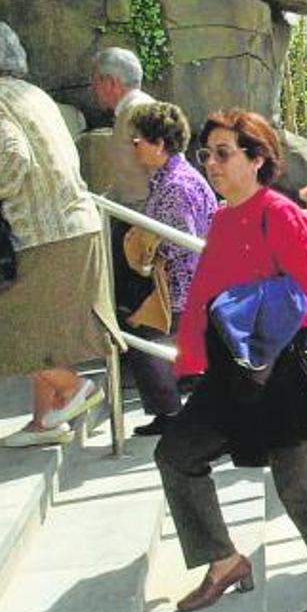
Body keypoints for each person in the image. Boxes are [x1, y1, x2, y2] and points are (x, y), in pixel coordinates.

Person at [154, 109, 307, 612]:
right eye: (207, 154)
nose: (212, 164)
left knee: (301, 492)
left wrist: (252, 310)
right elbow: (205, 293)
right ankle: (224, 561)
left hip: (284, 378)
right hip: (233, 376)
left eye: (224, 154)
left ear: (257, 159)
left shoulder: (282, 213)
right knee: (177, 453)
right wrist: (192, 355)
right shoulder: (224, 217)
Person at [0, 18, 122, 448]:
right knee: (41, 328)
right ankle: (45, 421)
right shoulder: (34, 95)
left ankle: (73, 387)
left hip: (37, 233)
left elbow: (11, 160)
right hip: (78, 226)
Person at [126, 101, 217, 436]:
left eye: (138, 141)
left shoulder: (176, 185)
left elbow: (183, 243)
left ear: (159, 144)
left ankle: (169, 412)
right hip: (184, 284)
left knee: (142, 338)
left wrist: (146, 250)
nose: (134, 148)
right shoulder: (171, 178)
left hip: (187, 288)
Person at [89, 47, 156, 317]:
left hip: (143, 224)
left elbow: (160, 169)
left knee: (132, 304)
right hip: (131, 217)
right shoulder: (131, 111)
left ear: (110, 82)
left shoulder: (138, 111)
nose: (93, 89)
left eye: (95, 81)